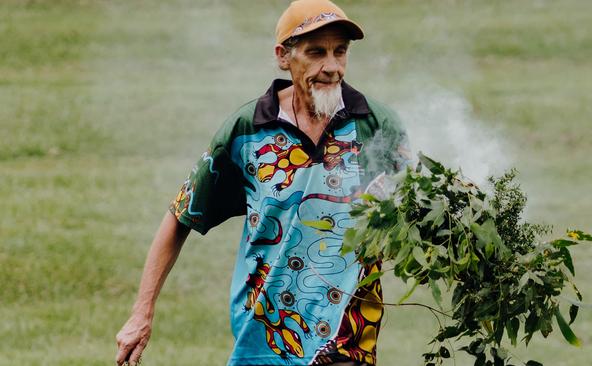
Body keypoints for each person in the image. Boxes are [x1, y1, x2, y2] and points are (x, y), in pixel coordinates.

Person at [115, 0, 410, 365]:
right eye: (316, 52)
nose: (332, 67)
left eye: (340, 52)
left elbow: (415, 209)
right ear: (284, 57)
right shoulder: (248, 132)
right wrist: (141, 314)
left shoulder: (376, 125)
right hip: (262, 339)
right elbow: (182, 214)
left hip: (343, 340)